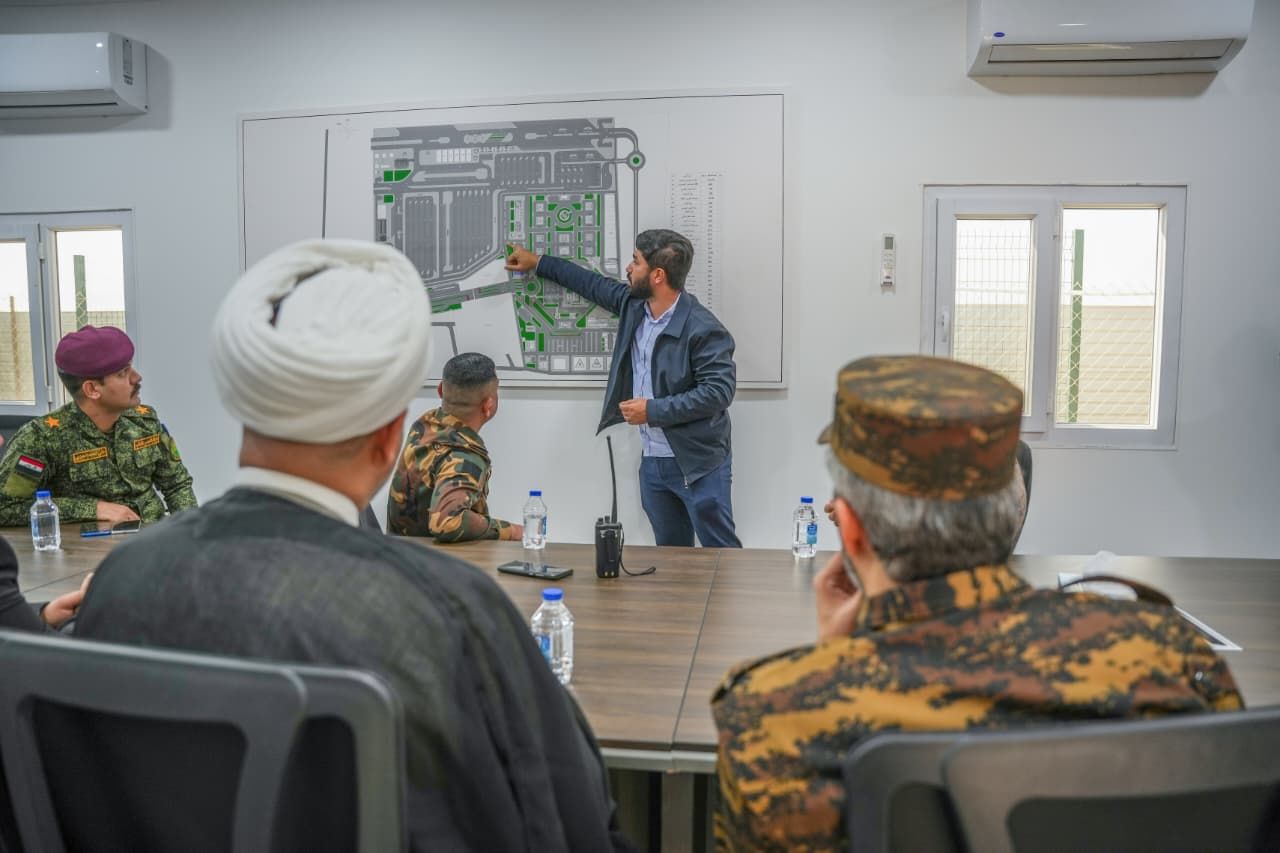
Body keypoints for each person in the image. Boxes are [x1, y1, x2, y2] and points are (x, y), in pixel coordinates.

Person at [75, 238, 631, 852]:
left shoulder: (121, 580)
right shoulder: (453, 611)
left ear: (247, 413)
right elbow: (570, 816)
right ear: (392, 437)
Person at [710, 355, 1243, 852]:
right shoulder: (1170, 656)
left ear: (849, 528)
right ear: (1013, 512)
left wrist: (831, 661)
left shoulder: (772, 717)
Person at [506, 230, 740, 547]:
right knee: (671, 558)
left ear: (658, 275)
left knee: (721, 554)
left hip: (699, 465)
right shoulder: (635, 306)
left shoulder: (703, 328)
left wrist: (652, 410)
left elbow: (718, 393)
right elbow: (590, 284)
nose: (629, 268)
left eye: (636, 261)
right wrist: (537, 262)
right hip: (654, 464)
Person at [0, 325, 196, 527]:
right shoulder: (42, 438)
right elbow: (5, 507)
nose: (136, 378)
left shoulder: (145, 421)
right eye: (123, 373)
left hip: (153, 535)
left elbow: (177, 485)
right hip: (92, 544)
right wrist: (94, 508)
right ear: (92, 389)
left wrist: (193, 532)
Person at [387, 352, 521, 542]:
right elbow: (447, 523)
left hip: (399, 550)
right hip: (432, 558)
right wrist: (512, 531)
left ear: (440, 390)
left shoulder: (426, 425)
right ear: (488, 405)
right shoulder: (463, 456)